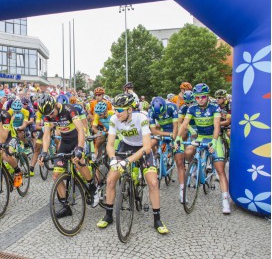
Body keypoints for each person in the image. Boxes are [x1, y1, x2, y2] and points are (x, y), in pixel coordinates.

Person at [97, 93, 169, 234]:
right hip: (126, 146)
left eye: (119, 110)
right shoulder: (114, 119)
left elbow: (147, 147)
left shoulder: (141, 118)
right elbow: (110, 144)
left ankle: (157, 220)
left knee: (153, 183)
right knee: (111, 180)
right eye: (115, 109)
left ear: (130, 109)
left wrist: (126, 162)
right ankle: (108, 215)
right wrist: (113, 159)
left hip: (142, 148)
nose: (116, 113)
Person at [37, 93, 96, 218]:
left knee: (78, 163)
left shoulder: (69, 110)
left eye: (52, 113)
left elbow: (81, 129)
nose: (51, 116)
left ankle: (92, 186)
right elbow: (46, 135)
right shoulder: (48, 115)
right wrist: (44, 152)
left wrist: (80, 148)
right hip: (65, 143)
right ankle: (65, 207)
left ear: (56, 105)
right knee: (56, 174)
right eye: (48, 115)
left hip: (77, 140)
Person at [175, 83, 231, 214]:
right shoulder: (192, 108)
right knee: (187, 151)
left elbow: (217, 126)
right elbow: (184, 124)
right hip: (200, 137)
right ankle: (194, 165)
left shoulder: (214, 107)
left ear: (207, 96)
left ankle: (225, 199)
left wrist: (214, 141)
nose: (200, 100)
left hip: (213, 138)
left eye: (203, 97)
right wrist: (178, 138)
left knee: (220, 169)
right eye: (198, 97)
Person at [148, 97, 185, 203]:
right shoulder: (151, 111)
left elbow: (175, 127)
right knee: (159, 147)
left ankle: (182, 191)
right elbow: (154, 130)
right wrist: (167, 134)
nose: (160, 116)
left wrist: (174, 140)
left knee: (179, 162)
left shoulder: (172, 107)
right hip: (165, 133)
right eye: (158, 114)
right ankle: (161, 159)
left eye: (162, 113)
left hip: (176, 132)